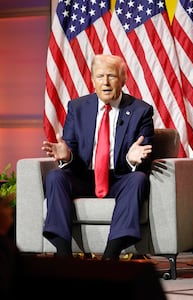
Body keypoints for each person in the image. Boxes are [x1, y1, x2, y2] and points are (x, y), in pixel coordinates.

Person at [41, 54, 154, 260]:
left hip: (119, 177)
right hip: (85, 177)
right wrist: (67, 157)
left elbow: (144, 153)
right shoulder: (77, 107)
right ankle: (63, 256)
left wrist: (132, 159)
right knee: (55, 177)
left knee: (138, 179)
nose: (106, 82)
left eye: (111, 76)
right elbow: (71, 149)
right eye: (100, 76)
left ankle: (111, 256)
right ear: (92, 80)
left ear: (123, 79)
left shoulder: (141, 111)